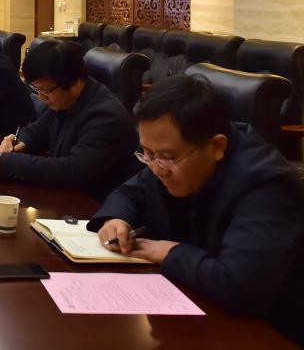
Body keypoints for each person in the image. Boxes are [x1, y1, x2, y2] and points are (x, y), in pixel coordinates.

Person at [90, 75, 304, 345]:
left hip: (265, 333)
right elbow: (129, 192)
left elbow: (240, 286)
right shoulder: (168, 156)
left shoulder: (268, 185)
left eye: (166, 157)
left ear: (216, 147)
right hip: (190, 309)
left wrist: (169, 252)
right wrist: (117, 219)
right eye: (147, 153)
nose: (155, 168)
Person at [0, 39, 140, 200]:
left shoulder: (105, 116)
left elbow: (74, 170)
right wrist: (20, 141)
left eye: (46, 90)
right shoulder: (63, 98)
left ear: (75, 83)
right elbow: (37, 131)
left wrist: (5, 164)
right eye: (36, 89)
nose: (41, 97)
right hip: (65, 196)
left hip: (94, 204)